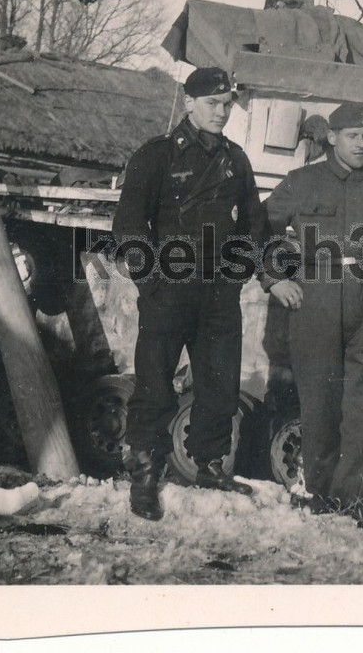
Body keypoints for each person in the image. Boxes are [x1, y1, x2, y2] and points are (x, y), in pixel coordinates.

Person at [112, 67, 267, 521]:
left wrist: (237, 274)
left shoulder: (236, 160)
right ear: (189, 103)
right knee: (155, 383)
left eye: (227, 105)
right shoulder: (156, 156)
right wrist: (151, 282)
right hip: (170, 289)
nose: (222, 112)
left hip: (218, 291)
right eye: (213, 104)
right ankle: (144, 475)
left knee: (219, 383)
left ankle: (209, 465)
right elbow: (128, 227)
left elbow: (253, 226)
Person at [264, 102, 363, 528]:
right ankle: (318, 495)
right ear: (332, 137)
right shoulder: (301, 182)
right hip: (315, 295)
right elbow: (260, 229)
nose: (362, 143)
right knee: (318, 403)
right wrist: (274, 278)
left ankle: (355, 502)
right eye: (353, 136)